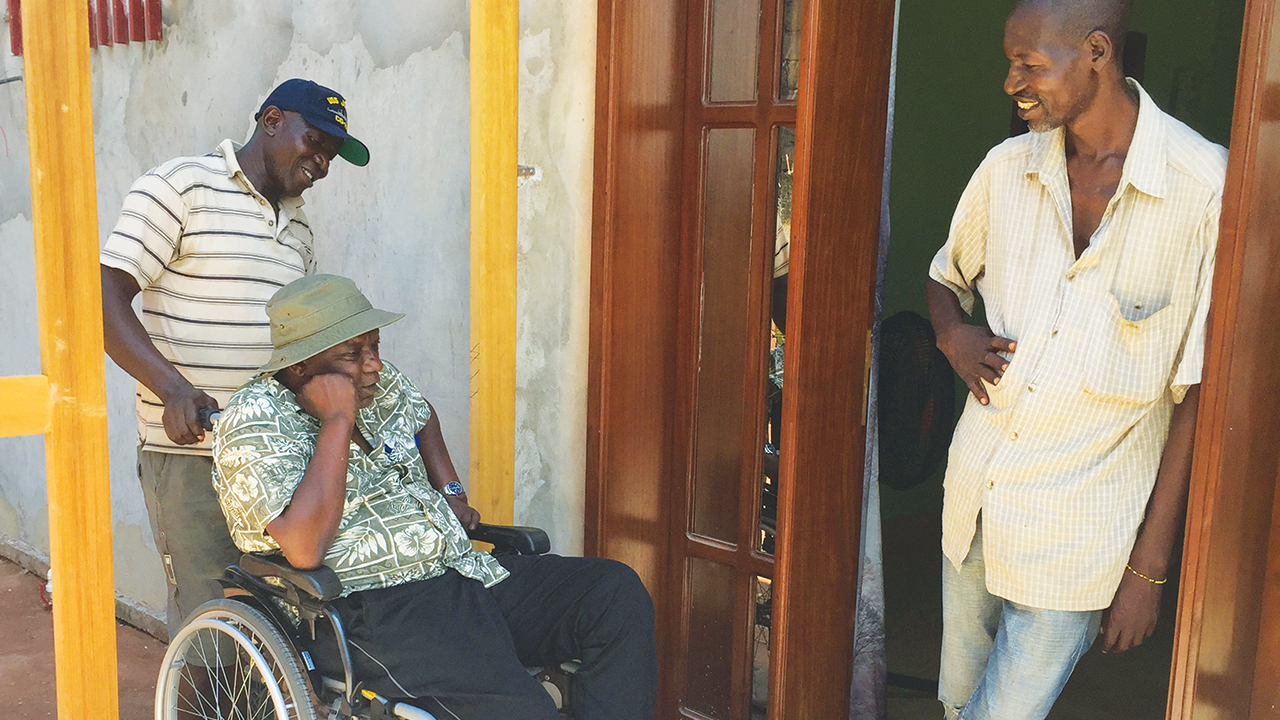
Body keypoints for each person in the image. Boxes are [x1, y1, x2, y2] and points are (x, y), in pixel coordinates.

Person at [925, 0, 1224, 717]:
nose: (1010, 82)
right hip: (975, 502)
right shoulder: (1005, 170)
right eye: (1010, 62)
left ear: (1096, 52)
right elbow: (945, 276)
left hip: (1081, 533)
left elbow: (1199, 394)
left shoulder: (1203, 187)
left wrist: (1148, 570)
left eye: (1028, 64)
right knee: (959, 700)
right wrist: (949, 335)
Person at [211, 274, 658, 720]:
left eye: (375, 347)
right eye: (353, 354)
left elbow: (423, 418)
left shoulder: (382, 387)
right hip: (377, 611)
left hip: (463, 572)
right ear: (300, 367)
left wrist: (452, 490)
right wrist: (337, 419)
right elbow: (305, 549)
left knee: (612, 594)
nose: (375, 366)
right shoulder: (254, 421)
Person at [100, 78, 371, 636]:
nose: (320, 164)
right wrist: (171, 388)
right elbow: (102, 302)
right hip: (193, 452)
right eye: (314, 142)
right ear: (271, 120)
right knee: (211, 633)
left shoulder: (298, 227)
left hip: (274, 459)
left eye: (330, 155)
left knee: (276, 634)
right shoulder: (178, 187)